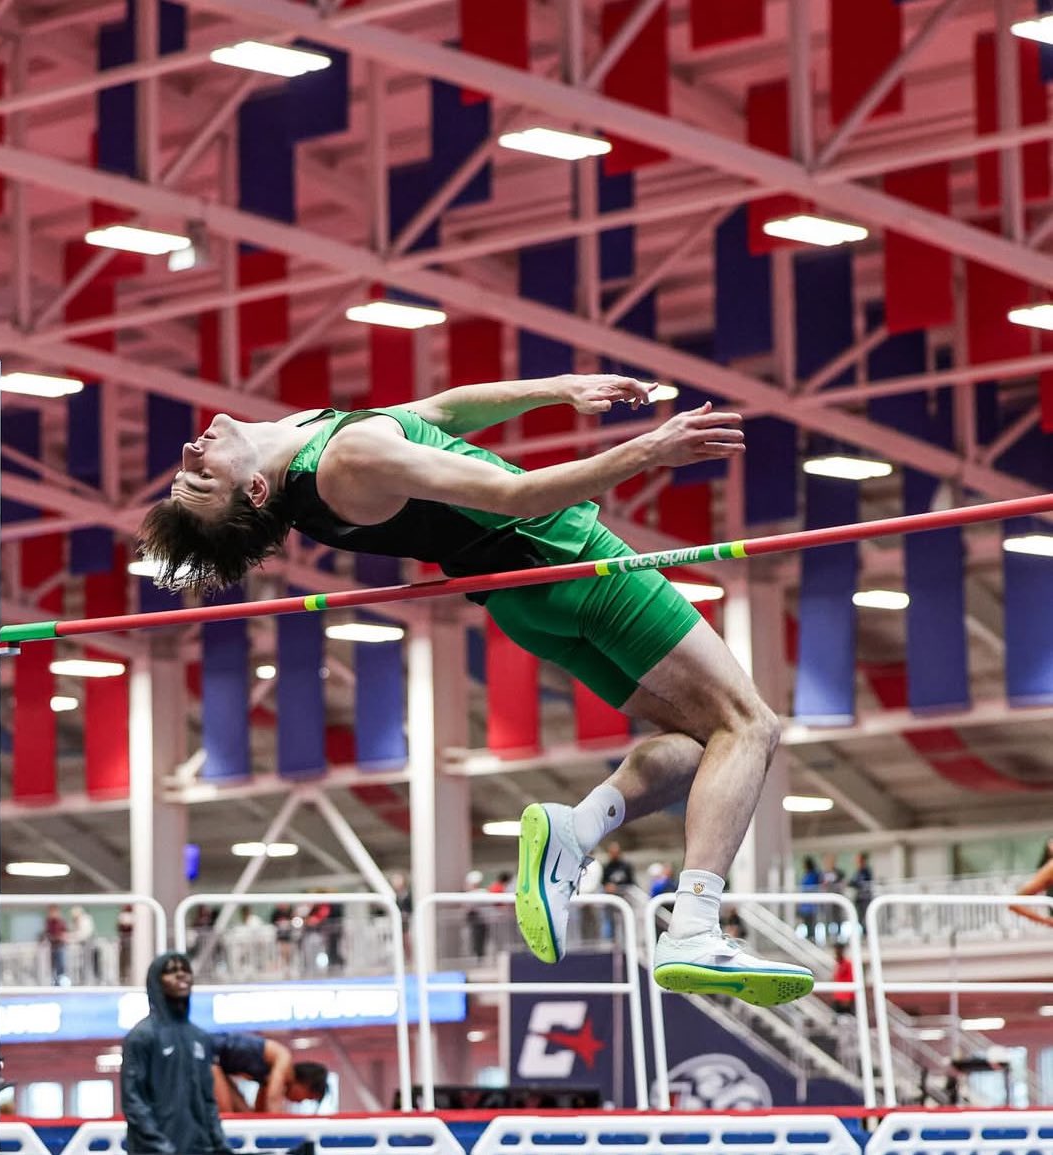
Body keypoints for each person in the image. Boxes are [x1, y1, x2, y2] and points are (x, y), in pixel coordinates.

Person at [139, 373, 813, 1007]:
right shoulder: (346, 459)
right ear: (255, 491)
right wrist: (650, 449)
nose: (190, 450)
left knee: (705, 745)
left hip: (520, 597)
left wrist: (557, 390)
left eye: (186, 470)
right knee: (748, 726)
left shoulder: (306, 444)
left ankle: (575, 831)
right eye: (201, 476)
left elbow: (439, 412)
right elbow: (517, 497)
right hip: (566, 556)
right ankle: (693, 923)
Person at [121, 952, 227, 1154]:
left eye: (185, 970)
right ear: (156, 981)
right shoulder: (142, 1037)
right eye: (171, 971)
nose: (181, 976)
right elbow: (134, 1102)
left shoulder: (200, 1038)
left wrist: (220, 1143)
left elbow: (208, 1101)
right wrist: (160, 1147)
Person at [209, 1032, 328, 1113]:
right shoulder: (283, 1058)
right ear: (306, 1083)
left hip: (218, 1065)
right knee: (226, 1111)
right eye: (306, 1098)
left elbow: (259, 1113)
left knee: (245, 1114)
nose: (299, 1102)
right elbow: (272, 1100)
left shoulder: (269, 1079)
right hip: (209, 1054)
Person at [43, 903, 68, 985]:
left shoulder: (61, 921)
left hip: (60, 947)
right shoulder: (49, 922)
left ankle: (62, 983)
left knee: (61, 966)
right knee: (52, 967)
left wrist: (59, 937)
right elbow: (47, 933)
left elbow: (64, 933)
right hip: (52, 947)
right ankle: (54, 984)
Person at [849, 852, 874, 929]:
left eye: (858, 860)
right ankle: (864, 932)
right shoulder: (857, 872)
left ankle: (867, 933)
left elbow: (863, 883)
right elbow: (852, 882)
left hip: (865, 898)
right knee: (859, 917)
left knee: (866, 917)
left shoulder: (866, 871)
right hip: (859, 899)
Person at [830, 944, 855, 1015]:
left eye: (838, 950)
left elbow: (851, 979)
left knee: (848, 1018)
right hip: (837, 997)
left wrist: (848, 998)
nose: (836, 952)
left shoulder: (848, 964)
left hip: (845, 998)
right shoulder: (837, 964)